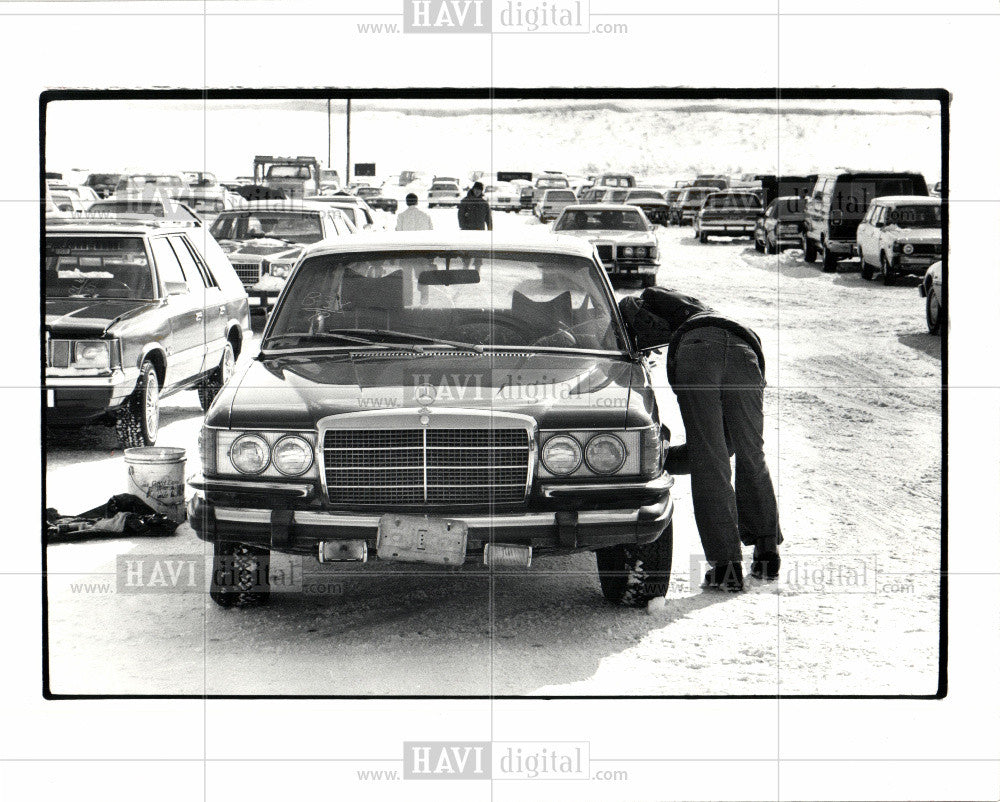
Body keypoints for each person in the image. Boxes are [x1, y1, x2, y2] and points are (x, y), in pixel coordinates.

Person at [619, 287, 783, 592]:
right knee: (752, 454)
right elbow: (728, 443)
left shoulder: (645, 302)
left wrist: (658, 457)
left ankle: (726, 567)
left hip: (697, 352)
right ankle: (767, 551)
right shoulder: (704, 310)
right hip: (746, 350)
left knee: (710, 462)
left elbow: (708, 452)